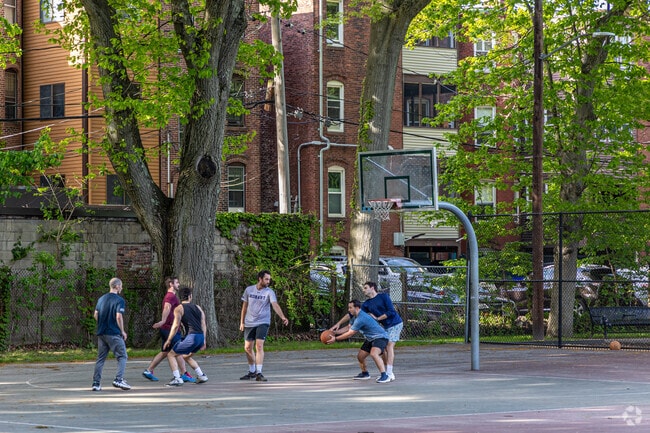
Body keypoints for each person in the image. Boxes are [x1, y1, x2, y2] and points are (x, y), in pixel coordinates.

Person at [142, 276, 195, 383]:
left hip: (167, 328)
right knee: (178, 351)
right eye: (177, 282)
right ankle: (184, 374)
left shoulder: (172, 296)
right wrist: (163, 320)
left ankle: (149, 370)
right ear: (171, 284)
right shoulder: (170, 296)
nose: (178, 284)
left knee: (165, 352)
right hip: (170, 329)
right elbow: (167, 307)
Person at [239, 270, 289, 382]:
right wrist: (242, 322)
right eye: (266, 279)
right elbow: (244, 307)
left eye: (269, 279)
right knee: (247, 348)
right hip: (249, 322)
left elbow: (274, 305)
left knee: (259, 346)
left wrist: (282, 317)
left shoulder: (269, 292)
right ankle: (252, 371)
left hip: (263, 321)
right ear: (260, 279)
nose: (268, 281)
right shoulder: (249, 290)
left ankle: (259, 373)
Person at [327, 299, 391, 383]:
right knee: (360, 356)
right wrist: (334, 333)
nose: (349, 310)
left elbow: (350, 333)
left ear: (356, 308)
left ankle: (384, 376)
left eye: (350, 308)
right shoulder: (355, 316)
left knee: (374, 353)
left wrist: (336, 339)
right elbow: (348, 328)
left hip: (381, 337)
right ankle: (365, 374)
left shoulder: (361, 318)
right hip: (370, 338)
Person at [91, 277, 131, 391]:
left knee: (101, 358)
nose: (121, 288)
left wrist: (102, 323)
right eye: (121, 286)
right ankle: (119, 379)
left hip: (102, 332)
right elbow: (119, 316)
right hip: (113, 333)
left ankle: (96, 383)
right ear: (117, 286)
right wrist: (122, 331)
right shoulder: (119, 300)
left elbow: (96, 315)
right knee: (122, 356)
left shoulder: (101, 299)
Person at [163, 287, 209, 386]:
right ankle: (201, 375)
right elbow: (203, 324)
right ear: (190, 296)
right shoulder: (198, 307)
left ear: (180, 298)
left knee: (171, 354)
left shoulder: (179, 309)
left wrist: (169, 339)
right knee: (186, 356)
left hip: (191, 337)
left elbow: (175, 326)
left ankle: (177, 378)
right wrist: (204, 340)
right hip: (200, 336)